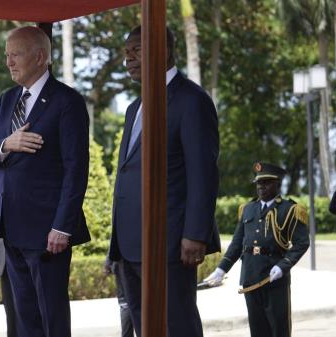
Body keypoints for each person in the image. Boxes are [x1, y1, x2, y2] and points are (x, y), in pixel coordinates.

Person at [0, 26, 90, 337]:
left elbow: (76, 169)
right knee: (24, 320)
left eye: (15, 55)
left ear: (40, 57)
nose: (9, 63)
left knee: (50, 318)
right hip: (10, 229)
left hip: (47, 233)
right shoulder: (6, 99)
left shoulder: (67, 102)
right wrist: (6, 144)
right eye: (7, 56)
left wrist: (62, 226)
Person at [108, 26, 221, 337]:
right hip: (132, 245)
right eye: (126, 51)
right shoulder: (134, 108)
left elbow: (203, 172)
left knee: (177, 325)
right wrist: (115, 246)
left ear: (164, 50)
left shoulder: (191, 100)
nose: (128, 57)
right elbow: (128, 175)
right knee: (145, 328)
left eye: (136, 49)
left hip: (171, 243)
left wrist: (195, 234)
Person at [204, 162, 310, 337]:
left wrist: (283, 266)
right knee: (257, 328)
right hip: (251, 276)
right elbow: (237, 243)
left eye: (267, 183)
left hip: (274, 276)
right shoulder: (248, 209)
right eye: (259, 183)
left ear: (278, 184)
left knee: (279, 328)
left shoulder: (290, 209)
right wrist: (221, 269)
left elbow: (301, 243)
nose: (261, 187)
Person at [103, 257, 134, 337]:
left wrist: (108, 262)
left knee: (125, 304)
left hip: (122, 262)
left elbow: (114, 244)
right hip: (124, 263)